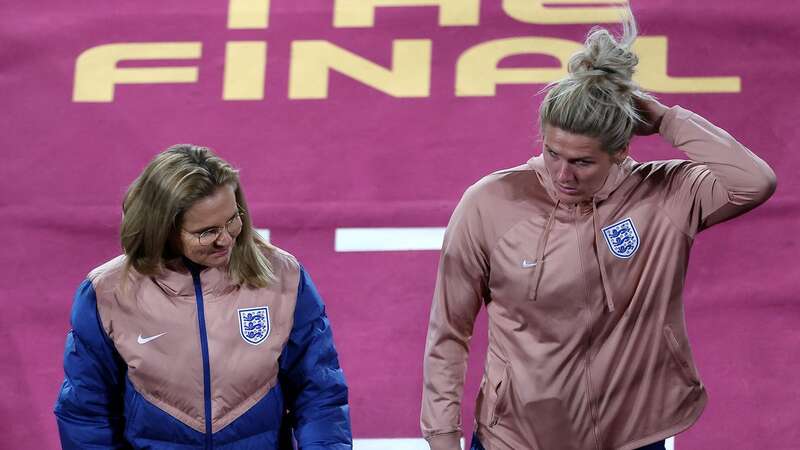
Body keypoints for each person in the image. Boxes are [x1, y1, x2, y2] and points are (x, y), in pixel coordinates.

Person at [420, 12, 776, 450]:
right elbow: (449, 330)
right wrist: (441, 436)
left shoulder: (664, 195)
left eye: (582, 161)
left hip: (631, 436)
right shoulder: (489, 204)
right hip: (516, 438)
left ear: (622, 150)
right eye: (552, 153)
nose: (563, 174)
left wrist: (666, 119)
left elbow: (753, 183)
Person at [54, 145, 352, 449]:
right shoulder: (107, 292)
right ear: (163, 229)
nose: (226, 239)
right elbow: (86, 413)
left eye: (232, 219)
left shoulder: (284, 275)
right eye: (206, 231)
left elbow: (320, 394)